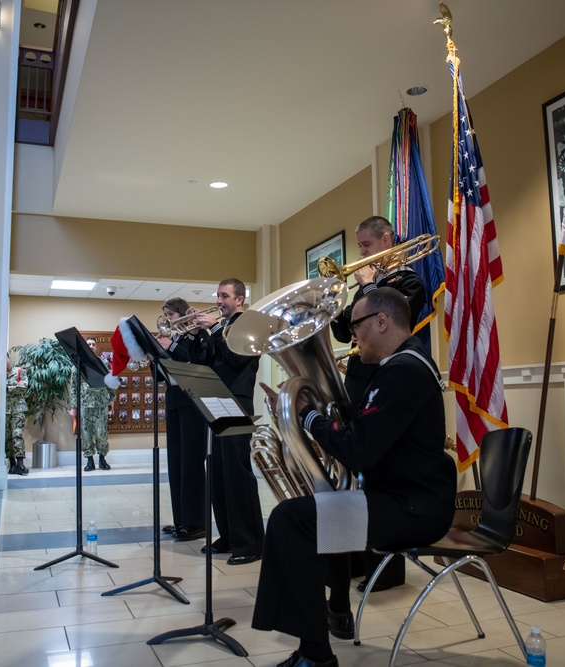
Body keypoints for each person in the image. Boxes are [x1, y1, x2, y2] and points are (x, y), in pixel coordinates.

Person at [252, 287, 456, 667]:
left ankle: (315, 653)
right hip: (401, 500)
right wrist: (303, 410)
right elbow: (360, 428)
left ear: (382, 322)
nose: (351, 334)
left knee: (291, 520)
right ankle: (320, 636)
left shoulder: (405, 372)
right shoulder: (398, 366)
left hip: (414, 510)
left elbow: (358, 448)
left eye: (356, 325)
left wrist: (305, 417)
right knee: (306, 520)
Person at [329, 215, 426, 591]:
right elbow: (343, 330)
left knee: (381, 472)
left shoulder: (408, 279)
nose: (361, 254)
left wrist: (371, 284)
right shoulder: (365, 284)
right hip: (358, 378)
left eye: (366, 246)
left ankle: (385, 570)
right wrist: (334, 304)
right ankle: (353, 557)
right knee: (352, 473)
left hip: (387, 381)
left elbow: (400, 314)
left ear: (387, 240)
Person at [194, 278, 264, 564]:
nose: (219, 300)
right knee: (219, 472)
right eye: (218, 295)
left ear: (239, 299)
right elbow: (202, 362)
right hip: (216, 399)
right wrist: (202, 335)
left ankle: (250, 543)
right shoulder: (219, 328)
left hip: (237, 401)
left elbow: (236, 360)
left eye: (225, 296)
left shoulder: (249, 323)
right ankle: (229, 535)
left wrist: (213, 329)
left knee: (237, 472)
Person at [156, 298, 210, 541]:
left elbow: (195, 359)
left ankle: (196, 522)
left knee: (191, 463)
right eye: (165, 315)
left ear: (181, 314)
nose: (168, 319)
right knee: (176, 463)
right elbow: (159, 376)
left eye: (171, 314)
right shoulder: (172, 339)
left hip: (192, 401)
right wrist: (156, 351)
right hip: (174, 401)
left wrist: (171, 346)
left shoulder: (193, 336)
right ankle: (180, 520)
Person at [69, 337, 116, 471]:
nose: (90, 346)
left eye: (93, 344)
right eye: (88, 344)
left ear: (95, 347)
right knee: (86, 434)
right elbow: (73, 387)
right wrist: (74, 407)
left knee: (102, 434)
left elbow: (110, 381)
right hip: (85, 405)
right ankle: (90, 460)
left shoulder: (102, 363)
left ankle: (102, 459)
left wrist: (112, 398)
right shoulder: (77, 364)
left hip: (101, 404)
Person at [5, 353, 29, 475]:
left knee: (17, 435)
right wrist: (14, 386)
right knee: (7, 438)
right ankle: (12, 463)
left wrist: (7, 388)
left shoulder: (20, 371)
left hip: (18, 409)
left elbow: (23, 387)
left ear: (9, 358)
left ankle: (20, 463)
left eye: (5, 358)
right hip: (4, 410)